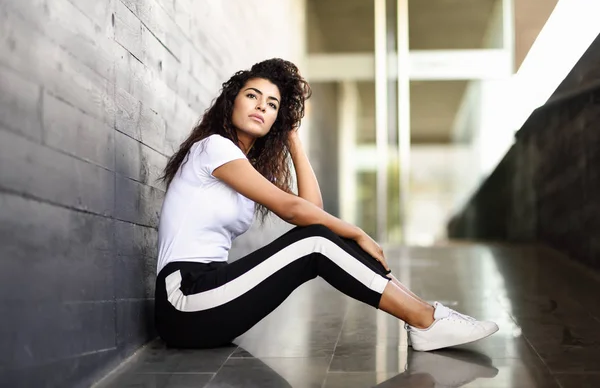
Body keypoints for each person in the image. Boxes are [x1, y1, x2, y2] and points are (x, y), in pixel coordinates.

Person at [154, 58, 499, 351]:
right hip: (184, 298)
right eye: (252, 96)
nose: (262, 106)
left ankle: (426, 315)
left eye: (273, 105)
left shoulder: (245, 169)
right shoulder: (213, 148)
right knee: (316, 241)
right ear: (232, 102)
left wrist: (292, 138)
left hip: (210, 294)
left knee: (317, 236)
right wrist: (357, 232)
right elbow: (297, 213)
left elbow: (311, 211)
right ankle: (425, 320)